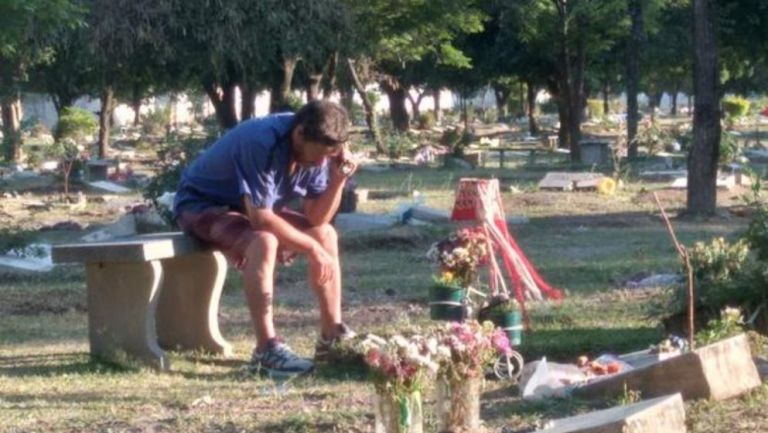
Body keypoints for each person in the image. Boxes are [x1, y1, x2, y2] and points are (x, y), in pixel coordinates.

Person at [173, 100, 357, 378]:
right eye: (318, 156)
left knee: (326, 234)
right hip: (201, 206)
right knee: (264, 241)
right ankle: (266, 349)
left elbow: (318, 218)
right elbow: (260, 219)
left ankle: (331, 338)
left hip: (246, 210)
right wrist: (311, 249)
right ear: (299, 133)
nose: (320, 163)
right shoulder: (262, 141)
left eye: (327, 157)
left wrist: (339, 179)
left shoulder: (320, 148)